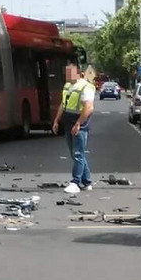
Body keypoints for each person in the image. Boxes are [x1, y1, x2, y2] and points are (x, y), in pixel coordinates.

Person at [52, 63, 96, 194]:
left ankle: (75, 182)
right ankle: (87, 182)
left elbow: (89, 108)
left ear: (78, 73)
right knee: (75, 153)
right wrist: (56, 120)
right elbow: (63, 104)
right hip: (68, 122)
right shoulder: (67, 86)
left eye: (70, 73)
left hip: (80, 123)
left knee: (78, 154)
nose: (68, 76)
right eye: (67, 73)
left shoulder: (86, 87)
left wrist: (78, 123)